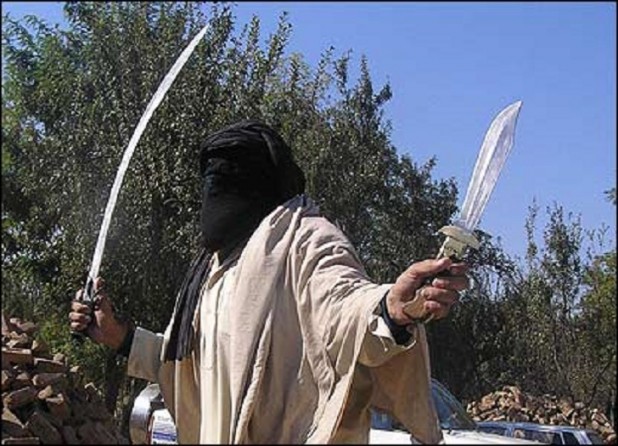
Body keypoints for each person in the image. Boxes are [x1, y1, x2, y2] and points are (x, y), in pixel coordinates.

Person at [69, 120, 469, 444]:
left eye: (230, 176)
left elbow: (343, 306)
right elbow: (190, 366)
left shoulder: (306, 240)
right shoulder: (210, 274)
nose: (215, 191)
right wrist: (119, 336)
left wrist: (391, 309)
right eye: (211, 179)